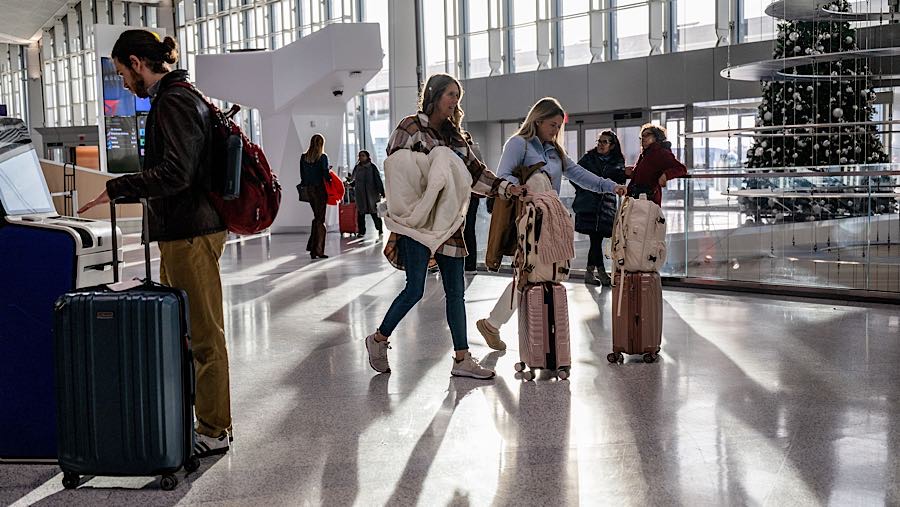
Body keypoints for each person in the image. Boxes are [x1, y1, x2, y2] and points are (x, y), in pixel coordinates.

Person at [78, 29, 232, 458]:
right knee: (190, 332)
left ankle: (215, 430)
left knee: (204, 334)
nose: (124, 82)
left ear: (137, 63)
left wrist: (119, 187)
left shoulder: (176, 99)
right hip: (184, 231)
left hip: (190, 233)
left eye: (122, 72)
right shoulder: (182, 95)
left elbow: (177, 173)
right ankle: (205, 423)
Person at [364, 73, 526, 380]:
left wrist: (507, 188)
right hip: (418, 222)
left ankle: (462, 358)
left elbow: (475, 175)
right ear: (434, 95)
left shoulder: (456, 137)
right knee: (414, 289)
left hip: (448, 222)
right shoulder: (410, 127)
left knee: (456, 293)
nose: (455, 101)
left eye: (458, 96)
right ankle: (379, 339)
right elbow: (398, 172)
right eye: (451, 94)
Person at [475, 98, 627, 350]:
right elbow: (503, 175)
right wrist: (517, 187)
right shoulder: (518, 144)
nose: (556, 130)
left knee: (539, 273)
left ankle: (495, 325)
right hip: (527, 218)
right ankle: (497, 325)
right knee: (530, 272)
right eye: (552, 124)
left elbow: (579, 174)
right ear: (537, 120)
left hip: (551, 220)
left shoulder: (555, 151)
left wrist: (610, 186)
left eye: (559, 126)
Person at [572, 131, 627, 286]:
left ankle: (590, 272)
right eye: (600, 141)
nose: (601, 145)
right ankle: (600, 273)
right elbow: (576, 176)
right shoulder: (588, 158)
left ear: (612, 145)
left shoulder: (617, 161)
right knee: (595, 239)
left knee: (596, 240)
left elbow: (619, 179)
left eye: (605, 142)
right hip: (588, 204)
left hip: (606, 205)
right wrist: (585, 190)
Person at [626, 123, 687, 205]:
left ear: (656, 137)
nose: (643, 138)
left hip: (649, 199)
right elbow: (646, 171)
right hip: (638, 198)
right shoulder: (645, 154)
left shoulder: (661, 153)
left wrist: (665, 175)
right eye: (642, 136)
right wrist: (632, 172)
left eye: (647, 135)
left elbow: (681, 168)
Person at [299, 133, 332, 259]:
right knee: (320, 220)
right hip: (320, 190)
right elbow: (325, 174)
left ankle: (313, 248)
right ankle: (318, 250)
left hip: (309, 190)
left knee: (316, 217)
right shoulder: (322, 157)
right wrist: (329, 175)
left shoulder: (304, 157)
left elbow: (302, 175)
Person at [348, 150, 384, 236]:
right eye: (360, 156)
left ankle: (380, 229)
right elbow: (355, 180)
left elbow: (378, 180)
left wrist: (382, 191)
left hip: (372, 194)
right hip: (360, 194)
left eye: (363, 155)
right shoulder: (357, 168)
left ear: (367, 157)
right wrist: (350, 184)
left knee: (374, 212)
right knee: (361, 213)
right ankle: (361, 232)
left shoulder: (372, 167)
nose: (361, 157)